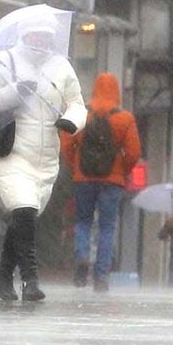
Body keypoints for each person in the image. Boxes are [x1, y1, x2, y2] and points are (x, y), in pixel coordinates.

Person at [0, 13, 86, 302]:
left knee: (26, 216)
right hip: (11, 153)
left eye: (46, 36)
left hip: (46, 157)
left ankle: (3, 273)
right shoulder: (4, 61)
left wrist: (71, 121)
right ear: (24, 35)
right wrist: (14, 92)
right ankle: (30, 279)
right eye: (35, 35)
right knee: (23, 209)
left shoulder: (61, 66)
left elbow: (77, 103)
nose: (40, 41)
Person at [60, 72, 141, 292]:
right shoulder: (124, 118)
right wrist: (121, 170)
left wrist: (76, 166)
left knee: (83, 222)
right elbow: (134, 152)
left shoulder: (80, 114)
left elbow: (66, 144)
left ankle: (82, 258)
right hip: (112, 181)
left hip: (83, 178)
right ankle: (101, 276)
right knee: (107, 227)